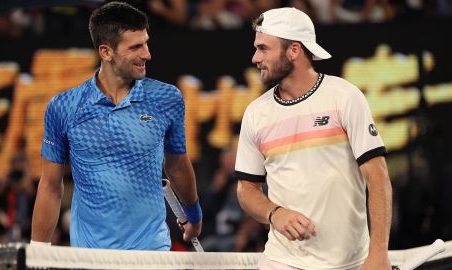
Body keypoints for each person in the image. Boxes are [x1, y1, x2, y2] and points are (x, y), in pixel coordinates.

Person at [31, 1, 202, 250]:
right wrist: (38, 251)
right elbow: (50, 185)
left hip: (151, 252)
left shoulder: (167, 99)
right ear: (106, 52)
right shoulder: (64, 107)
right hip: (90, 257)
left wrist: (194, 215)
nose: (147, 54)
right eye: (135, 47)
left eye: (145, 43)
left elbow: (177, 166)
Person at [235, 7, 392, 270]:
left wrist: (378, 254)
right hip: (282, 260)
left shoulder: (344, 97)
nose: (254, 58)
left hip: (351, 262)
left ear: (294, 50)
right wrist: (275, 214)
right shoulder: (255, 113)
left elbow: (378, 178)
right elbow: (246, 190)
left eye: (263, 49)